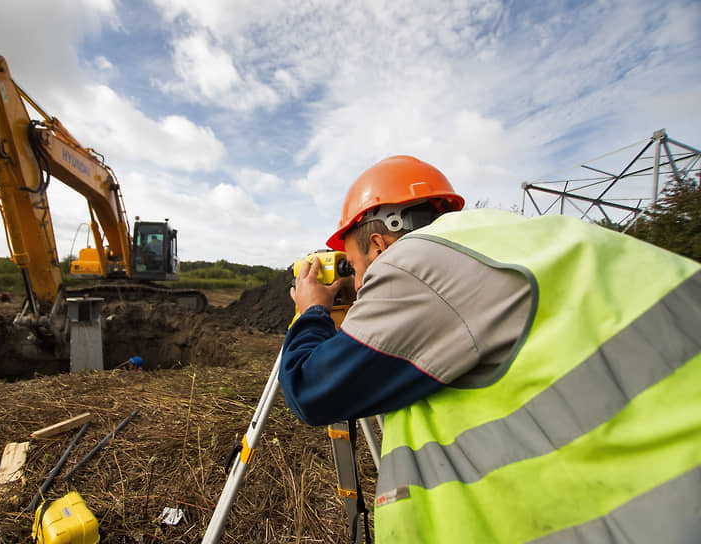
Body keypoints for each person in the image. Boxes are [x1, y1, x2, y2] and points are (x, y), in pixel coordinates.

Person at [281, 155, 701, 543]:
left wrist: (312, 311)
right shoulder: (518, 237)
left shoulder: (414, 264)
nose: (354, 285)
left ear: (379, 245)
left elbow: (310, 390)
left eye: (353, 266)